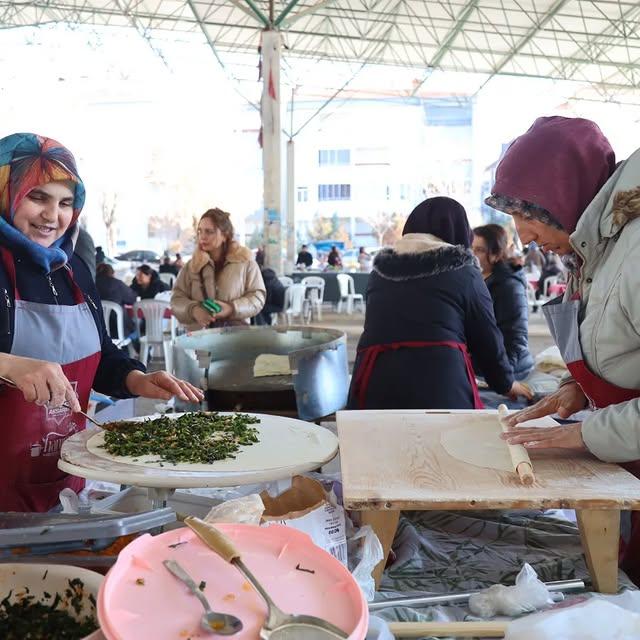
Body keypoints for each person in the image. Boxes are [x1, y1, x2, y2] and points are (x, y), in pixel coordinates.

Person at [0, 133, 203, 512]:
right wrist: (10, 364)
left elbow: (102, 353)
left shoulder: (72, 268)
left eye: (64, 203)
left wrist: (137, 380)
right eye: (37, 197)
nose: (52, 216)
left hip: (64, 482)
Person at [483, 117, 640, 580]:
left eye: (528, 216)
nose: (523, 235)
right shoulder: (590, 253)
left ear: (566, 197)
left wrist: (588, 434)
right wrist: (576, 390)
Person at [347, 197, 531, 410]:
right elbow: (486, 338)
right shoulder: (464, 272)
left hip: (374, 385)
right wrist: (506, 383)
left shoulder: (378, 274)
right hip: (440, 386)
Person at [171, 208, 265, 330]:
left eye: (209, 232)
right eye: (200, 231)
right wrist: (193, 310)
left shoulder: (245, 262)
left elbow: (257, 298)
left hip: (235, 340)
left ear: (225, 235)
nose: (203, 237)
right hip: (201, 340)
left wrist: (232, 308)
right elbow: (176, 300)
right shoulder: (192, 266)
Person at [472, 224, 534, 380]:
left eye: (479, 250)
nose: (471, 255)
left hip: (510, 368)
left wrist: (503, 377)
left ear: (496, 254)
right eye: (470, 248)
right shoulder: (477, 279)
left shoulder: (508, 285)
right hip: (487, 363)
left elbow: (515, 339)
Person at [96, 262, 137, 339]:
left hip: (97, 332)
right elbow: (132, 299)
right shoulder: (117, 284)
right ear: (112, 273)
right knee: (138, 326)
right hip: (119, 330)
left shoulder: (91, 284)